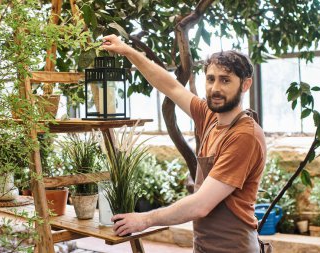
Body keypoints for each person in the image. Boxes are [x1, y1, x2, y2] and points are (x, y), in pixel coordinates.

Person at [101, 34, 267, 253]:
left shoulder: (244, 135)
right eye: (210, 79)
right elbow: (170, 86)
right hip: (205, 245)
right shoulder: (209, 116)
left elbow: (201, 205)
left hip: (233, 247)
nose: (215, 88)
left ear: (245, 85)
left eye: (225, 80)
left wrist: (144, 219)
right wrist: (128, 51)